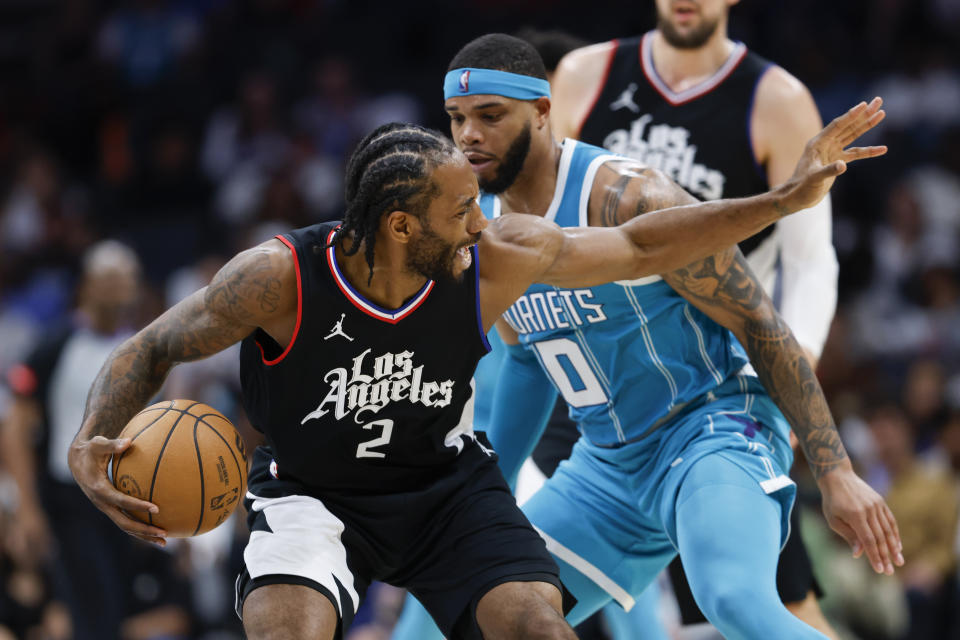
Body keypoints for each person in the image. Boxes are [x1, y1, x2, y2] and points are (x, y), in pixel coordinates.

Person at [71, 102, 879, 639]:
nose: (479, 222)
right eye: (460, 210)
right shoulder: (278, 279)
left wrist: (780, 200)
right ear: (396, 227)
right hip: (318, 496)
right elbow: (150, 348)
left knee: (536, 623)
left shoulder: (489, 259)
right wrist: (89, 442)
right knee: (286, 629)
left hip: (447, 492)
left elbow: (644, 244)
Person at [439, 33, 901, 640]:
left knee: (734, 602)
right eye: (456, 119)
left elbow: (759, 321)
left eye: (490, 116)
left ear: (543, 111)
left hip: (711, 428)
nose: (470, 135)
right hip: (606, 463)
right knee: (489, 618)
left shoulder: (625, 196)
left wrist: (835, 470)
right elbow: (525, 361)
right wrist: (488, 492)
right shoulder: (480, 228)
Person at [549, 2, 841, 633]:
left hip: (716, 391)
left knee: (761, 604)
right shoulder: (583, 74)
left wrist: (794, 383)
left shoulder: (777, 100)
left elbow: (812, 263)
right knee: (517, 598)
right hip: (602, 390)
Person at [0, 241, 191, 640]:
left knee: (126, 606)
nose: (120, 290)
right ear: (86, 287)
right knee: (92, 610)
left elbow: (164, 433)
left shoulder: (146, 351)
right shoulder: (55, 345)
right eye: (110, 280)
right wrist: (29, 506)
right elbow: (17, 424)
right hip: (72, 500)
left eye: (126, 280)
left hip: (134, 498)